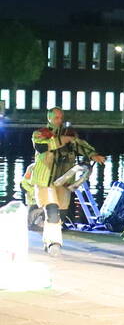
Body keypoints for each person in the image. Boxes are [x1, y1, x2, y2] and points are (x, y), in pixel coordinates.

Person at [29, 108, 106, 256]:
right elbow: (42, 146)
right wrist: (61, 140)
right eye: (56, 117)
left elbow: (80, 145)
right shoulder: (40, 133)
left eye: (61, 117)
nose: (59, 120)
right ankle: (54, 243)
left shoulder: (70, 134)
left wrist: (93, 155)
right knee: (52, 211)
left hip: (64, 180)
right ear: (49, 118)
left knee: (61, 214)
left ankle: (48, 239)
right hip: (46, 180)